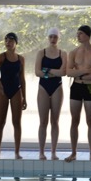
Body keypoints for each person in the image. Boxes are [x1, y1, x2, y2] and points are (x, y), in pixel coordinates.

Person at [65, 25, 91, 162]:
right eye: (77, 33)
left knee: (90, 121)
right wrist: (85, 71)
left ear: (87, 35)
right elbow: (68, 72)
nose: (78, 36)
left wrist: (78, 73)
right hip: (76, 87)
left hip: (89, 88)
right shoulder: (73, 52)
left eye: (80, 33)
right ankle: (73, 152)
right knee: (74, 120)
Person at [0, 32, 27, 160]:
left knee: (17, 122)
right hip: (2, 91)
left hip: (16, 91)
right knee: (0, 121)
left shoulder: (21, 59)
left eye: (10, 41)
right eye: (6, 40)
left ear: (16, 43)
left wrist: (24, 97)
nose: (8, 43)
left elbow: (22, 79)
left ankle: (17, 152)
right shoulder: (2, 57)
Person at [35, 27, 67, 160]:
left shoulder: (63, 54)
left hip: (57, 87)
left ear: (58, 38)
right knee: (43, 121)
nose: (53, 39)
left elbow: (63, 72)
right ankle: (41, 152)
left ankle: (53, 152)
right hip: (43, 87)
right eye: (51, 37)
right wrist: (54, 72)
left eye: (55, 37)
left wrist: (47, 70)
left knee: (55, 121)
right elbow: (37, 72)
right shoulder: (41, 53)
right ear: (48, 38)